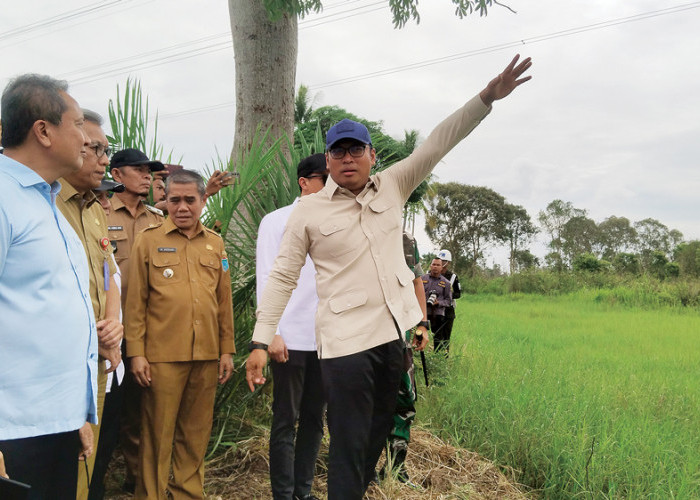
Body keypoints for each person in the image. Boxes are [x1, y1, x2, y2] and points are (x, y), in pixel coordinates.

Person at [246, 55, 532, 499]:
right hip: (343, 343)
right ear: (327, 159)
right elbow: (282, 276)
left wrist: (485, 99)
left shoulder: (393, 185)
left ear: (371, 155)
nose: (347, 158)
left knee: (376, 436)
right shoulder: (309, 210)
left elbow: (437, 144)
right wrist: (261, 340)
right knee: (347, 442)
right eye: (337, 151)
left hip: (389, 338)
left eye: (355, 149)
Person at [0, 74, 98, 499]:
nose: (86, 139)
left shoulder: (46, 202)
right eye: (77, 125)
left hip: (54, 421)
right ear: (43, 130)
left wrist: (74, 411)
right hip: (13, 431)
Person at [125, 169, 235, 500]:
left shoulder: (215, 244)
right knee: (157, 435)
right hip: (161, 358)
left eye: (190, 200)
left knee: (195, 435)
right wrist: (137, 353)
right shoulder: (148, 240)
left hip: (206, 355)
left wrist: (227, 350)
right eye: (175, 200)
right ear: (165, 201)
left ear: (203, 200)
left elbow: (223, 301)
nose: (183, 207)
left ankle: (187, 493)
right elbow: (136, 303)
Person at [55, 109, 124, 500]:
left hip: (96, 363)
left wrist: (114, 324)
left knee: (86, 464)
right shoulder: (46, 204)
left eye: (105, 149)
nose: (103, 159)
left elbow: (109, 273)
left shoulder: (94, 209)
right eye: (94, 148)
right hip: (60, 365)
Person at [256, 154, 328, 500]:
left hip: (326, 340)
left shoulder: (337, 220)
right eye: (324, 179)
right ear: (304, 182)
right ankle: (283, 494)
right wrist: (272, 332)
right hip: (290, 337)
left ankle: (304, 490)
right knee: (286, 419)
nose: (333, 186)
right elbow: (267, 276)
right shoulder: (276, 221)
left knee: (315, 419)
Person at [106, 147, 164, 491]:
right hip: (111, 329)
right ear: (116, 175)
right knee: (115, 408)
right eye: (139, 170)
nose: (147, 176)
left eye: (150, 171)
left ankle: (140, 479)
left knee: (144, 406)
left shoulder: (157, 219)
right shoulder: (99, 213)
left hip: (149, 329)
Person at [380, 232, 429, 483]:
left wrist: (422, 324)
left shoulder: (405, 240)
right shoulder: (353, 226)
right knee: (366, 404)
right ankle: (361, 470)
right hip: (366, 338)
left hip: (401, 337)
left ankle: (395, 469)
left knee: (404, 400)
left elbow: (416, 282)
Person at [422, 258, 453, 352]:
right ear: (430, 266)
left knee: (438, 339)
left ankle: (436, 357)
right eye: (433, 264)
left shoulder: (446, 283)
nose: (435, 267)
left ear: (441, 268)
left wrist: (438, 302)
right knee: (420, 334)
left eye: (438, 265)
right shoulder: (422, 279)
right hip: (424, 312)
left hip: (438, 314)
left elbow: (449, 301)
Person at [437, 249, 461, 352]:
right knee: (437, 337)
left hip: (448, 312)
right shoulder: (430, 274)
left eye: (444, 261)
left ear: (448, 263)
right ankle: (435, 358)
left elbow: (458, 294)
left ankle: (444, 359)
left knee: (446, 338)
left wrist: (447, 294)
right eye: (440, 260)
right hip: (435, 311)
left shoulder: (453, 277)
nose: (441, 263)